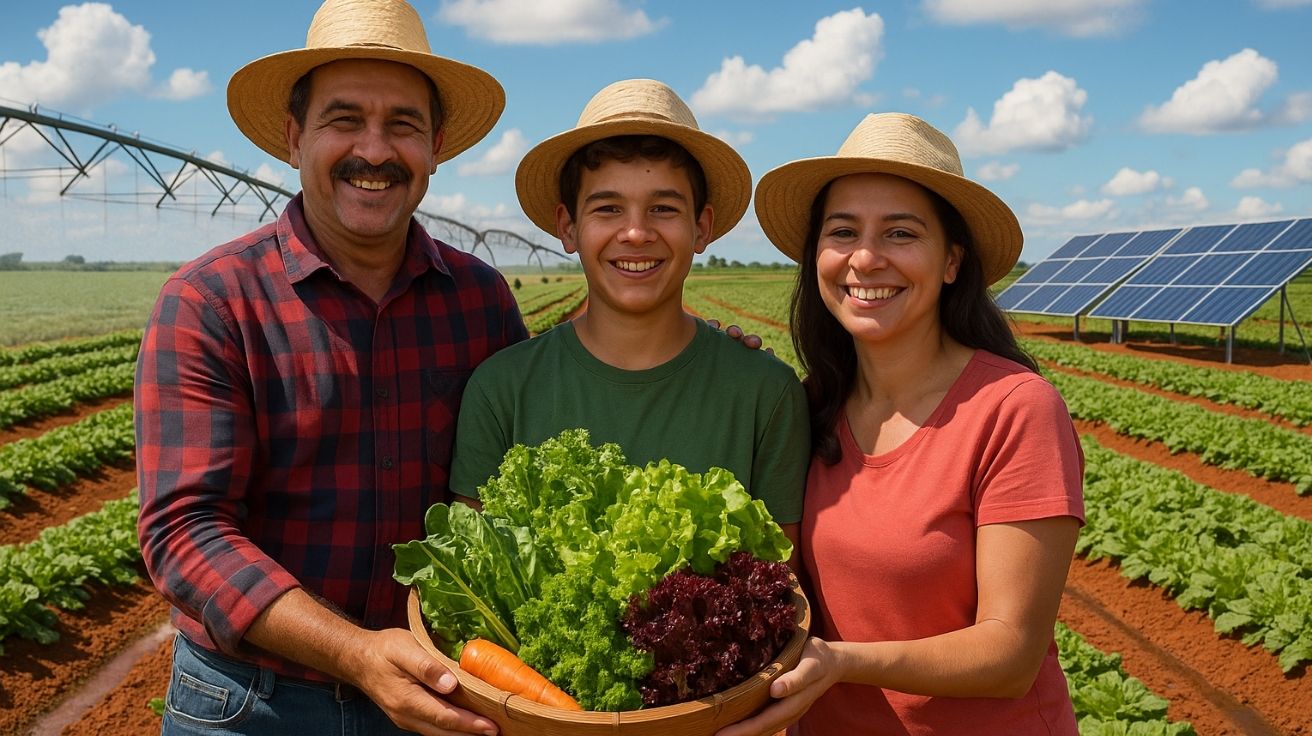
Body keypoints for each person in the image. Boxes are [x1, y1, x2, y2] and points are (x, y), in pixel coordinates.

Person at [134, 2, 523, 734]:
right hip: (252, 702)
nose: (373, 150)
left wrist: (688, 350)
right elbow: (185, 532)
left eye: (403, 125)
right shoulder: (211, 300)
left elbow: (538, 455)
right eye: (344, 119)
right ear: (293, 138)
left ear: (435, 147)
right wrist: (358, 654)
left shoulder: (480, 300)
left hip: (438, 695)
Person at [720, 113, 1085, 736]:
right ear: (817, 259)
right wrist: (724, 382)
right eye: (843, 232)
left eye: (900, 233)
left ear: (951, 262)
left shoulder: (1014, 409)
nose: (866, 258)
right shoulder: (808, 408)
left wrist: (839, 663)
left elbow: (1011, 653)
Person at [449, 78, 809, 552]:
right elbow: (474, 579)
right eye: (608, 208)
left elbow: (779, 585)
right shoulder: (501, 391)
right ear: (568, 227)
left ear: (701, 228)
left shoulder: (767, 395)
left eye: (663, 208)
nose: (636, 233)